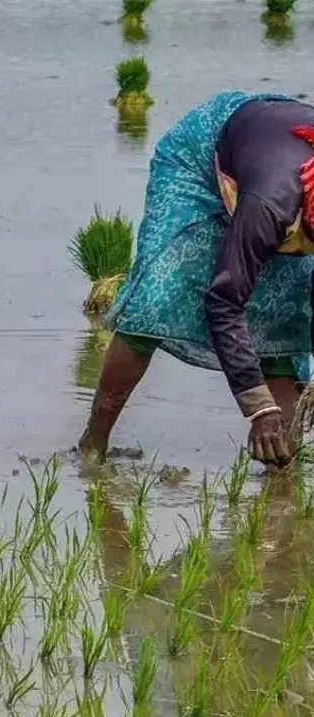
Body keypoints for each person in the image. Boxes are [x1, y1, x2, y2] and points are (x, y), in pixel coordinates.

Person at [80, 91, 314, 467]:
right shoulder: (270, 207)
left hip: (267, 154)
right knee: (159, 295)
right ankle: (93, 445)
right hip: (201, 161)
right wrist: (256, 405)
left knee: (287, 310)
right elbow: (224, 300)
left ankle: (280, 481)